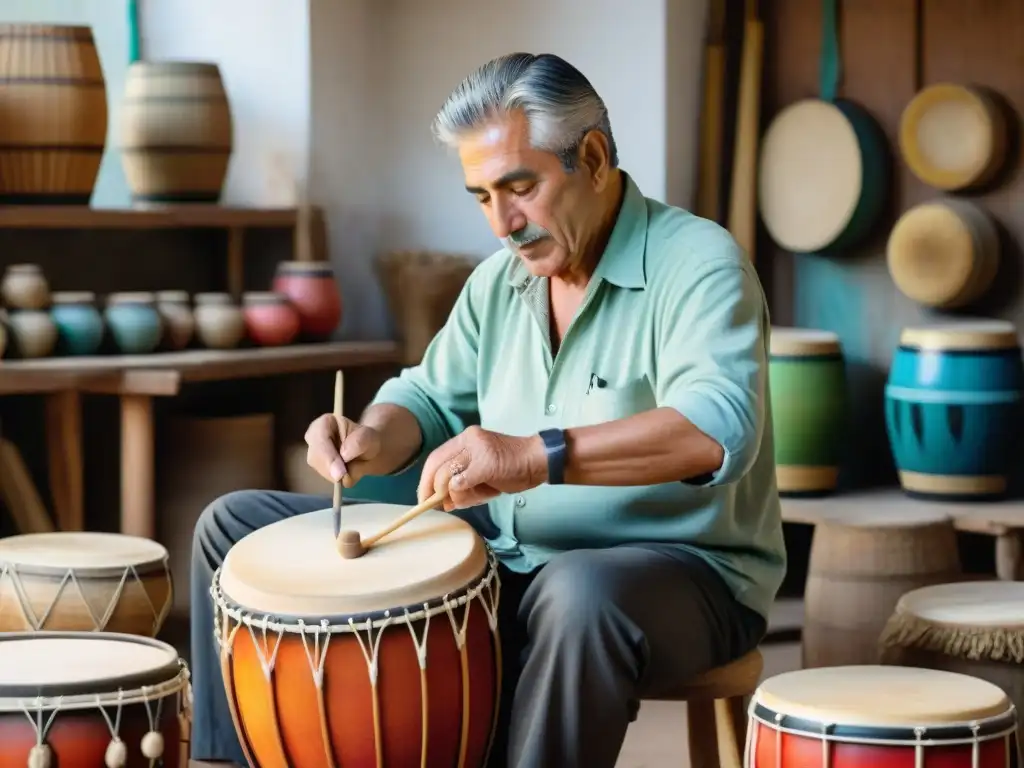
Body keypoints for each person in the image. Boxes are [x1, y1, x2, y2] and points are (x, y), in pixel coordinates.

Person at [190, 51, 785, 768]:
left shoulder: (699, 262)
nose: (502, 222)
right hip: (507, 562)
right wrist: (370, 435)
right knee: (234, 529)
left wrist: (533, 455)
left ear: (592, 158)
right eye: (480, 196)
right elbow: (430, 395)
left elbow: (718, 429)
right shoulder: (499, 284)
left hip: (685, 576)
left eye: (520, 187)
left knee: (577, 592)